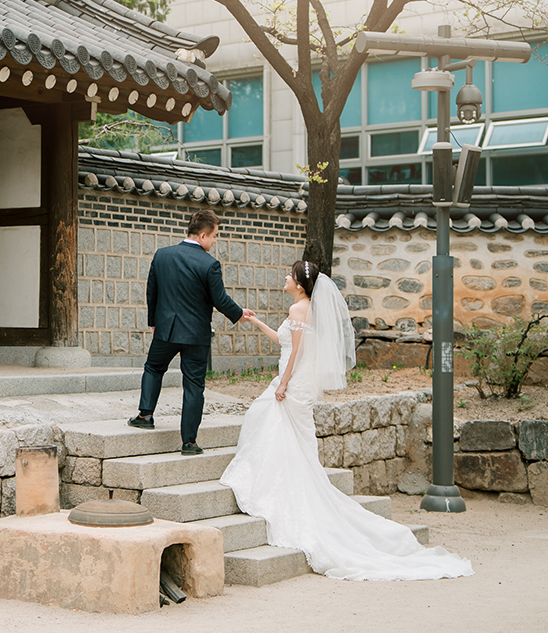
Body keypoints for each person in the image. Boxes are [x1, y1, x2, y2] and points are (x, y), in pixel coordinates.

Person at [219, 260, 473, 581]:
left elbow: (295, 354)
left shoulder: (299, 310)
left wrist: (282, 384)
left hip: (294, 382)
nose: (285, 277)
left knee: (268, 419)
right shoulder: (303, 308)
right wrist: (256, 322)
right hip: (299, 380)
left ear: (299, 284)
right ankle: (286, 477)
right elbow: (283, 342)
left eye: (290, 275)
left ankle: (274, 484)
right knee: (287, 434)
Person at [128, 210, 253, 456]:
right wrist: (239, 313)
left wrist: (154, 322)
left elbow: (151, 291)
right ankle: (189, 443)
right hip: (196, 335)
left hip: (165, 329)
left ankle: (145, 415)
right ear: (203, 235)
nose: (215, 241)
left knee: (153, 368)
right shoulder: (209, 264)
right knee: (194, 385)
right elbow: (220, 299)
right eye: (215, 236)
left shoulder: (162, 255)